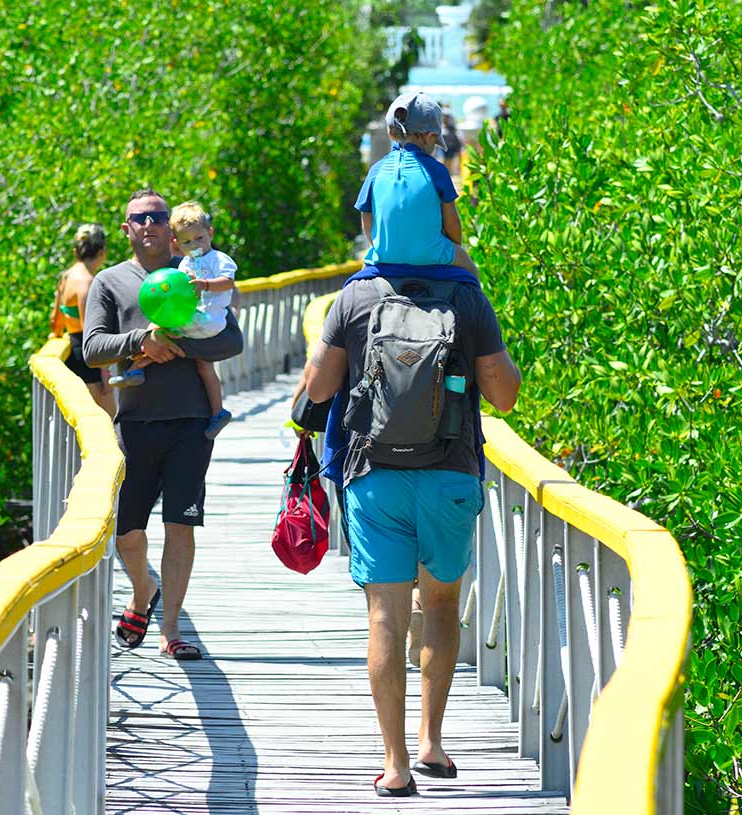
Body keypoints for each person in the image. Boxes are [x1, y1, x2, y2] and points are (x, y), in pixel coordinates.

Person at [303, 279, 521, 796]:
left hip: (376, 478)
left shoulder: (356, 297)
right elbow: (505, 396)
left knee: (384, 616)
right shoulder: (467, 297)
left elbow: (316, 389)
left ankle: (395, 764)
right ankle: (432, 743)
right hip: (450, 474)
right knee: (441, 605)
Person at [82, 188, 244, 660]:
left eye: (158, 217)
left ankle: (170, 630)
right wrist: (141, 342)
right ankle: (142, 590)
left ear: (171, 229)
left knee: (181, 524)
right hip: (134, 420)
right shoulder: (109, 283)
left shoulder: (194, 272)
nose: (150, 224)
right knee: (127, 531)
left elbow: (231, 340)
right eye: (140, 218)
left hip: (191, 421)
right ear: (126, 228)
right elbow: (92, 349)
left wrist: (178, 346)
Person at [356, 92, 479, 278]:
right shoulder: (437, 171)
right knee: (472, 273)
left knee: (349, 294)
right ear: (430, 136)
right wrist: (454, 247)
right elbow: (452, 223)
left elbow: (366, 218)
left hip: (385, 258)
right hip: (432, 255)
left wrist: (380, 247)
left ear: (390, 132)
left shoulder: (376, 170)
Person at [169, 201, 236, 440]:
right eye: (187, 242)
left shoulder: (219, 259)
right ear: (177, 244)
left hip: (211, 320)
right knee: (203, 365)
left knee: (165, 335)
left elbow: (228, 282)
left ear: (210, 233)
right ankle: (218, 412)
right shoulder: (185, 264)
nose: (194, 246)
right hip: (198, 320)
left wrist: (204, 284)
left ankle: (139, 365)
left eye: (199, 238)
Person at [50, 224, 116, 419]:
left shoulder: (66, 276)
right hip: (89, 360)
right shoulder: (87, 282)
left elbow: (55, 320)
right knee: (109, 421)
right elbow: (91, 332)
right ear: (102, 251)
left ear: (76, 251)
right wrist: (104, 372)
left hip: (72, 352)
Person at [441, 113, 464, 178]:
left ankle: (449, 176)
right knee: (446, 163)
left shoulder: (451, 128)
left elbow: (455, 137)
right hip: (446, 148)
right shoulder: (442, 128)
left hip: (451, 147)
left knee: (449, 163)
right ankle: (448, 175)